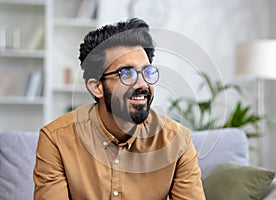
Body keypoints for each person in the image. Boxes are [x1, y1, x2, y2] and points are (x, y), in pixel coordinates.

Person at [33, 18, 206, 200]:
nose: (142, 84)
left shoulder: (178, 142)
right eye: (126, 73)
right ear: (97, 87)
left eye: (147, 72)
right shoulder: (56, 140)